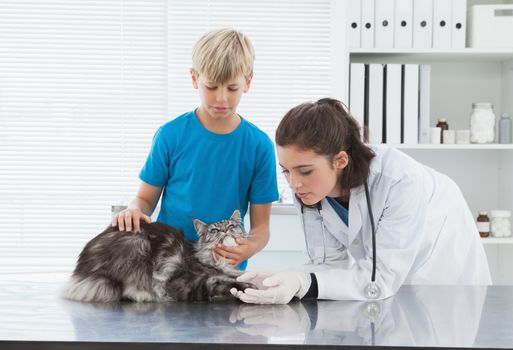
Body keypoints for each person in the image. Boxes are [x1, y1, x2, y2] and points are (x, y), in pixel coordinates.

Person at [231, 97, 492, 303]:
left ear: (340, 160)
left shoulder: (399, 181)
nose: (293, 183)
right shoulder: (311, 192)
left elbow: (381, 279)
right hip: (385, 280)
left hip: (443, 271)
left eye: (305, 171)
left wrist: (303, 282)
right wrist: (277, 279)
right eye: (286, 171)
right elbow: (328, 264)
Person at [111, 28, 279, 269]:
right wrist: (133, 210)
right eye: (211, 87)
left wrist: (250, 247)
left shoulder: (259, 146)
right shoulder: (170, 135)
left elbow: (262, 227)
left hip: (223, 268)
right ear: (194, 78)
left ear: (248, 82)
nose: (221, 99)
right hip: (167, 264)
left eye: (232, 88)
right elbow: (144, 199)